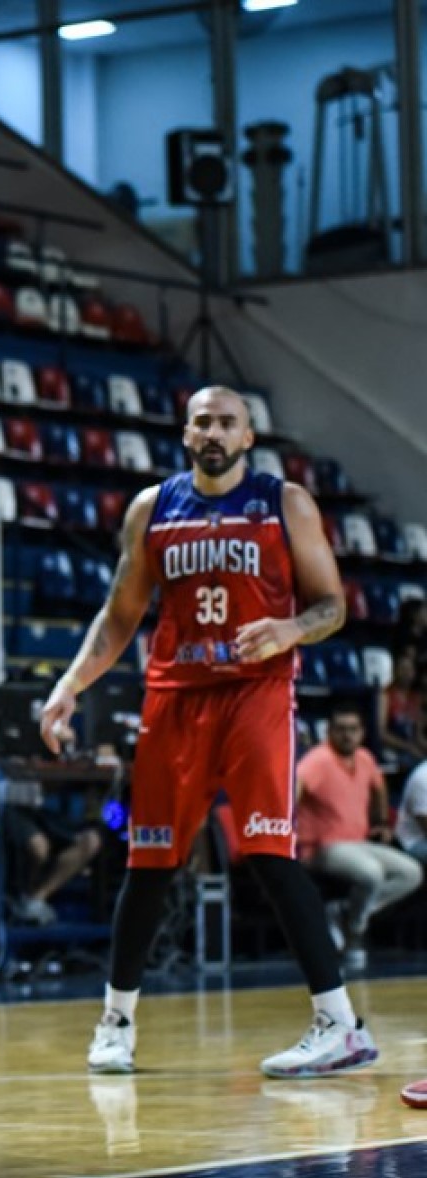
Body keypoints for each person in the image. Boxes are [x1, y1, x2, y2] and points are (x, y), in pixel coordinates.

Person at [39, 385, 377, 1079]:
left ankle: (339, 1023)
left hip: (256, 692)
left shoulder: (285, 503)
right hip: (174, 696)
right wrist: (68, 687)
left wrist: (287, 628)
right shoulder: (152, 508)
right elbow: (118, 616)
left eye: (228, 422)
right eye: (203, 421)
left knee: (269, 851)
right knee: (149, 862)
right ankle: (116, 1021)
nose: (214, 432)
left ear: (249, 437)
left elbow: (332, 605)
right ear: (186, 433)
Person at [294, 704, 421, 971]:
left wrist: (382, 823)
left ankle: (344, 912)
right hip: (323, 847)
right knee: (372, 873)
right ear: (329, 732)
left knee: (411, 872)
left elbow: (379, 787)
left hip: (359, 842)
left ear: (362, 733)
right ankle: (354, 935)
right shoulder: (318, 759)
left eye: (353, 730)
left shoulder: (364, 757)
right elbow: (296, 786)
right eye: (340, 730)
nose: (347, 736)